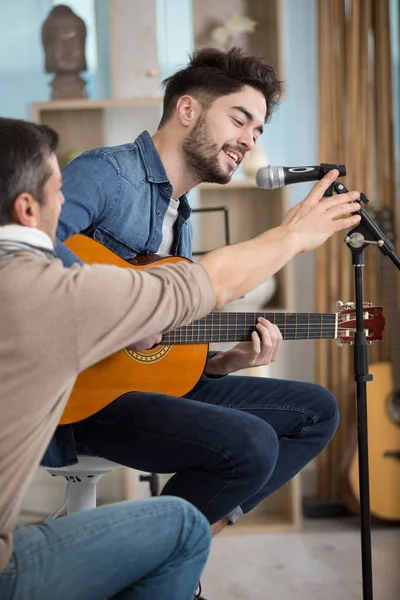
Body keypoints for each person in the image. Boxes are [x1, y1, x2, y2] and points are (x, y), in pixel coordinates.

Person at [44, 46, 360, 597]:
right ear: (187, 110)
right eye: (239, 119)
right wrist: (124, 308)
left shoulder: (181, 217)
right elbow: (31, 257)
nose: (250, 139)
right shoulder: (104, 172)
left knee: (316, 411)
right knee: (251, 443)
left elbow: (158, 350)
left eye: (258, 129)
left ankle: (162, 554)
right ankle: (157, 565)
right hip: (74, 398)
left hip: (133, 390)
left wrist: (223, 363)